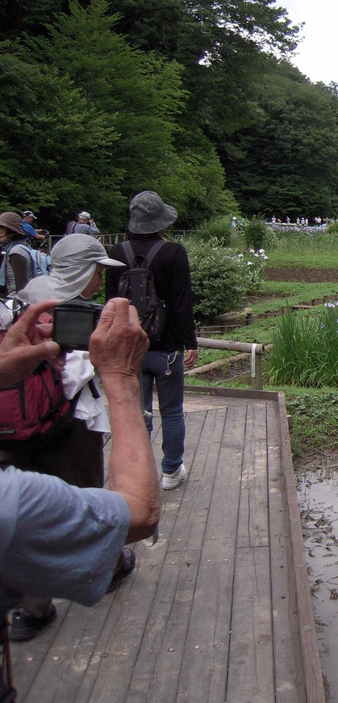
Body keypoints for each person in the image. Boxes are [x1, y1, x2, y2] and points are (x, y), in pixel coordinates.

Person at [4, 236, 132, 640]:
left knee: (27, 512)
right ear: (84, 270)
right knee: (87, 495)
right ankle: (108, 567)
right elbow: (75, 373)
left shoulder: (21, 300)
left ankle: (32, 609)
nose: (99, 280)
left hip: (12, 428)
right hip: (68, 424)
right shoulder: (76, 310)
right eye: (98, 270)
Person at [104, 191, 198, 491]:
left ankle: (139, 471)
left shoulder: (116, 253)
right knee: (171, 411)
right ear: (160, 222)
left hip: (129, 346)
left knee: (136, 411)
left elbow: (110, 302)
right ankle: (171, 471)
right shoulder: (174, 252)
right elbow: (182, 302)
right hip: (166, 346)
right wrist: (190, 342)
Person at [0, 212, 44, 296]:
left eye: (1, 231)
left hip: (15, 301)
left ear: (11, 232)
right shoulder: (19, 247)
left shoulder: (16, 252)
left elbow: (21, 287)